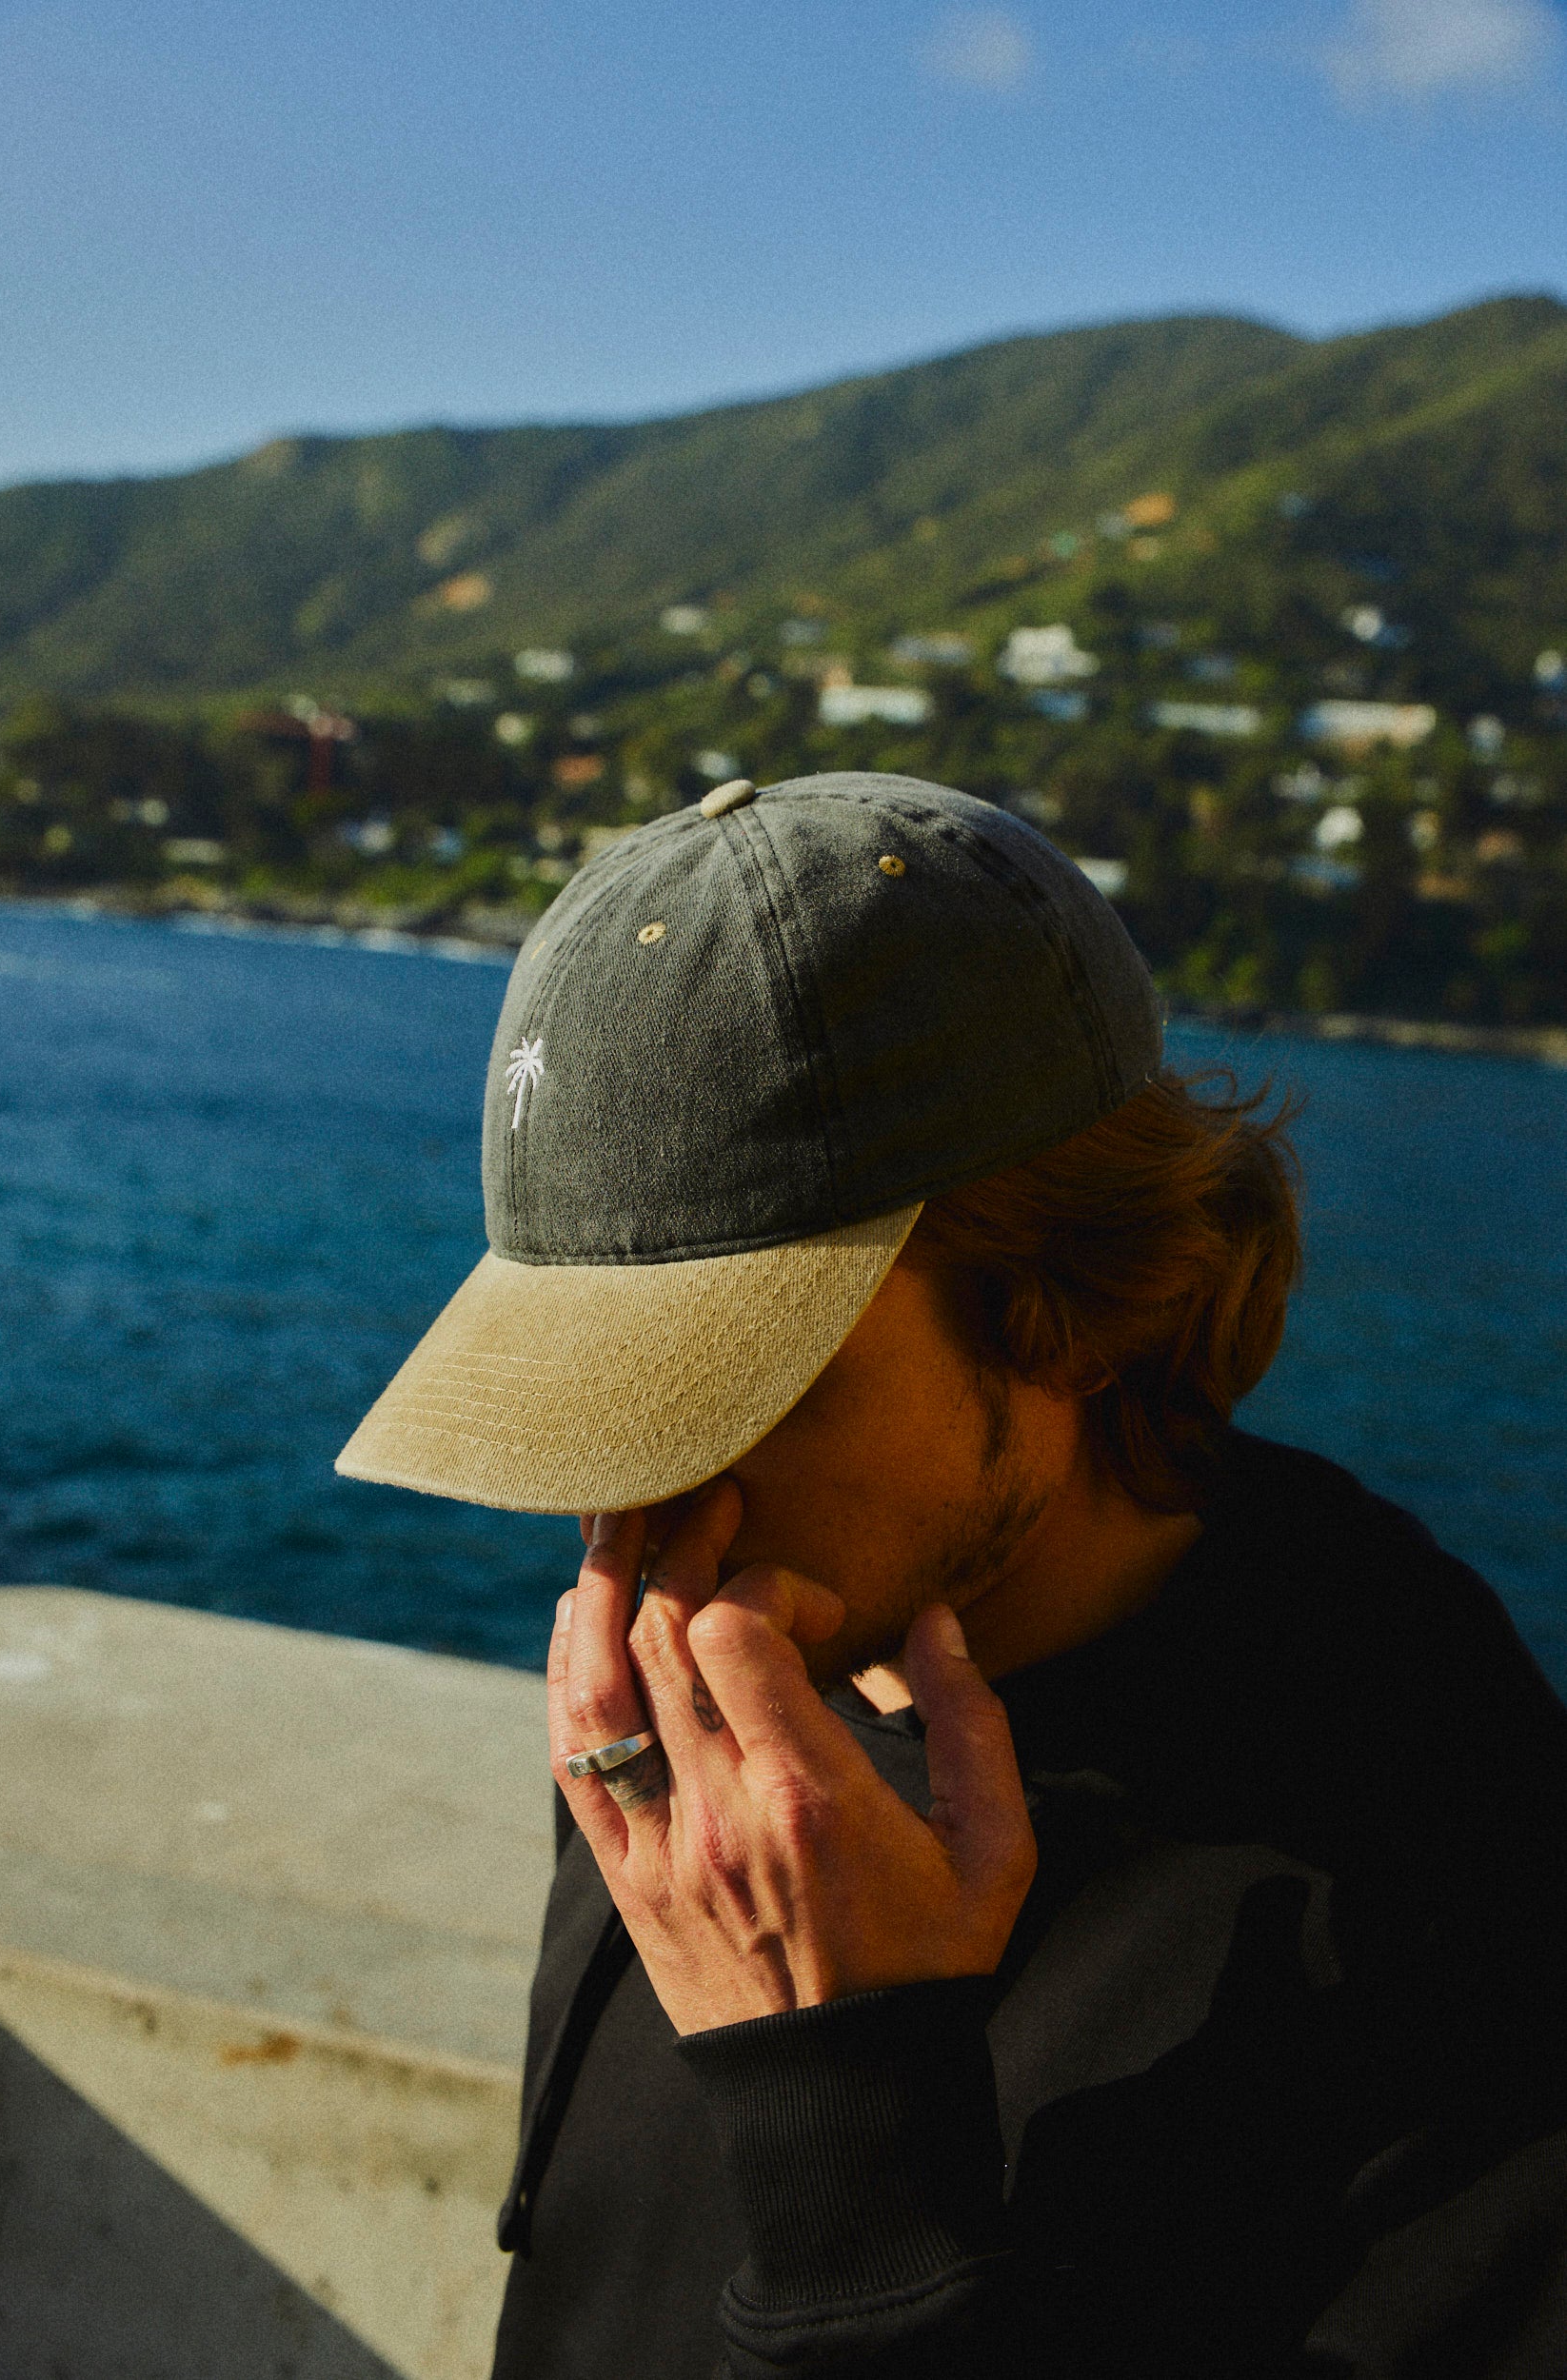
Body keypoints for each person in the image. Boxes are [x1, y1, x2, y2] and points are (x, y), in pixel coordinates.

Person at [337, 772, 1567, 2379]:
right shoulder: (694, 1689)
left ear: (1078, 1291)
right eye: (593, 1394)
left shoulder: (1461, 1901)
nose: (629, 1498)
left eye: (731, 1380)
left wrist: (846, 2145)